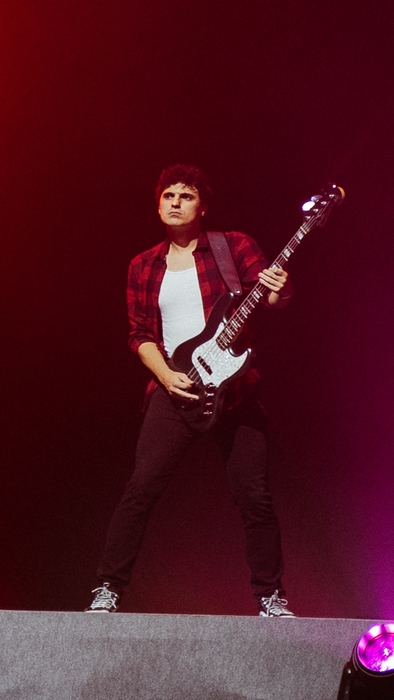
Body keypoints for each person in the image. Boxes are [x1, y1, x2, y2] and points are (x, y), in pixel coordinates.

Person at [90, 166, 293, 616]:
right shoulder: (143, 265)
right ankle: (108, 589)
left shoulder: (232, 246)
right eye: (168, 195)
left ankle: (271, 598)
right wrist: (165, 376)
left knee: (253, 496)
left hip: (235, 388)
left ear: (202, 206)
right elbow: (138, 333)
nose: (176, 201)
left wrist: (279, 291)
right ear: (158, 204)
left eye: (186, 195)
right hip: (174, 385)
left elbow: (270, 295)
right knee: (140, 489)